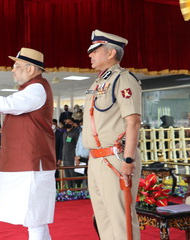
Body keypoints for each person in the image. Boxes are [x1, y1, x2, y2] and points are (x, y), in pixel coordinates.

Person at [0, 47, 56, 240]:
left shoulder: (37, 88)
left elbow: (8, 105)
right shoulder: (32, 88)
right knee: (35, 219)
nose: (13, 70)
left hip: (32, 162)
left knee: (34, 218)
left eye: (16, 66)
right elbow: (6, 107)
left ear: (31, 69)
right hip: (25, 161)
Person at [83, 29, 142, 239]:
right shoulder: (97, 83)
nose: (89, 55)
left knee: (121, 217)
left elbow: (133, 121)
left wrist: (129, 159)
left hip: (115, 158)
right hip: (97, 158)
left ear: (110, 53)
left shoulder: (123, 79)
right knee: (103, 217)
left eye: (94, 50)